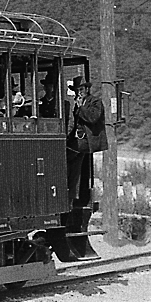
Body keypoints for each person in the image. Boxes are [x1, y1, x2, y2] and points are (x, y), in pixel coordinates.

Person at [62, 81, 106, 233]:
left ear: (87, 89)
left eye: (80, 89)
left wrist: (80, 107)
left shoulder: (95, 102)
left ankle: (69, 197)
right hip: (75, 140)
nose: (78, 92)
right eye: (76, 90)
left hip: (86, 141)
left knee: (65, 159)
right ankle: (70, 196)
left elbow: (92, 118)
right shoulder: (75, 103)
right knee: (73, 170)